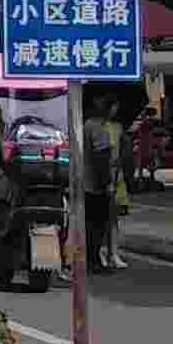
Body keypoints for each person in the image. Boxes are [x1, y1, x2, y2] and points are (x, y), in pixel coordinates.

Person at [76, 88, 128, 275]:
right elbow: (101, 158)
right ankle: (93, 260)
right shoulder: (99, 128)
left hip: (89, 182)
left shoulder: (88, 124)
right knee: (96, 225)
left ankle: (93, 259)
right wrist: (107, 183)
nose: (115, 110)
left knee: (94, 224)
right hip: (96, 184)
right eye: (114, 106)